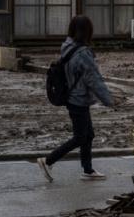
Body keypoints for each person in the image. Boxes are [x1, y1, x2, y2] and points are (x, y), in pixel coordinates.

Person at [36, 15, 116, 182]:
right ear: (87, 32)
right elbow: (93, 79)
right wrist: (109, 101)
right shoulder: (82, 53)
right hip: (78, 99)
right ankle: (48, 160)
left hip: (74, 97)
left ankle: (88, 170)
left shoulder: (68, 46)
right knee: (80, 137)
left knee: (88, 135)